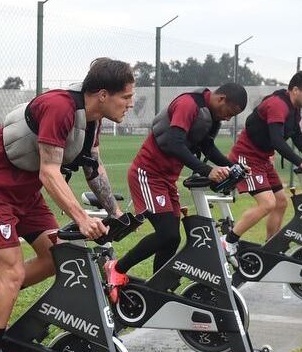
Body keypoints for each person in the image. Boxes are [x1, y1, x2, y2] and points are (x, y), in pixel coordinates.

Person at [0, 57, 135, 352]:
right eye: (126, 97)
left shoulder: (93, 119)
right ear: (103, 94)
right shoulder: (60, 108)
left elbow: (93, 166)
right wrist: (82, 218)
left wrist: (115, 213)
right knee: (12, 273)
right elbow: (49, 172)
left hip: (26, 194)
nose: (130, 104)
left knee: (57, 257)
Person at [106, 83, 247, 297]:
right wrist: (207, 170)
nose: (228, 119)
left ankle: (157, 288)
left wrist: (232, 167)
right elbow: (173, 142)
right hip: (148, 174)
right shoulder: (188, 104)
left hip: (167, 179)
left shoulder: (210, 116)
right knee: (166, 233)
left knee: (172, 238)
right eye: (230, 112)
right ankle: (116, 268)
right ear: (221, 99)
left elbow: (207, 148)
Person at [222, 71, 302, 256]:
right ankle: (228, 241)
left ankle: (270, 248)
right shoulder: (277, 105)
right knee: (267, 203)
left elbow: (296, 134)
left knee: (280, 202)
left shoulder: (294, 108)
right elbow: (277, 141)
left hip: (262, 159)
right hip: (246, 158)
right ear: (295, 90)